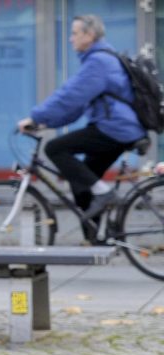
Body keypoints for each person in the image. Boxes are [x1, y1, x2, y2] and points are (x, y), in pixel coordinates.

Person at [18, 14, 145, 220]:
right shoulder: (101, 59)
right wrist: (45, 123)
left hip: (115, 129)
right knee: (82, 184)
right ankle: (96, 241)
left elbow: (69, 96)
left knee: (54, 148)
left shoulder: (99, 62)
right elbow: (77, 108)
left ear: (90, 35)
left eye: (75, 33)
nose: (70, 39)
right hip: (117, 129)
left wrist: (35, 116)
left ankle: (105, 193)